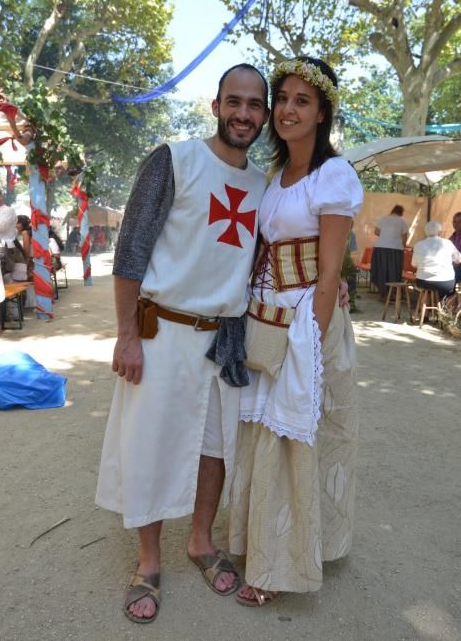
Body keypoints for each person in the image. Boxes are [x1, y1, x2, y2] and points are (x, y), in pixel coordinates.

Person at [95, 63, 271, 624]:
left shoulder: (262, 184)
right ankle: (148, 562)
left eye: (254, 105)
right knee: (152, 445)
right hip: (163, 331)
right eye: (234, 102)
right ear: (216, 106)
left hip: (223, 339)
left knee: (214, 448)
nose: (244, 113)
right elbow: (132, 252)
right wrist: (127, 335)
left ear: (264, 115)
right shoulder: (175, 159)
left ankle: (200, 541)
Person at [228, 56, 362, 606]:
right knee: (266, 438)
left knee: (297, 438)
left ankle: (280, 568)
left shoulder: (334, 175)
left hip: (309, 320)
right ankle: (263, 542)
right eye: (282, 98)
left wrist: (313, 341)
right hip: (269, 316)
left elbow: (330, 271)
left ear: (323, 112)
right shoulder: (273, 179)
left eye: (302, 101)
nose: (286, 109)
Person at [412, 220, 461, 298]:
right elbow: (460, 259)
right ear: (439, 232)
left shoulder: (418, 245)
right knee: (450, 291)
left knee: (429, 289)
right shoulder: (447, 243)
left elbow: (414, 264)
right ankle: (445, 307)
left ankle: (427, 305)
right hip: (445, 283)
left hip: (422, 282)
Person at [370, 205, 409, 297]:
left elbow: (376, 232)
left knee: (381, 269)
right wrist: (402, 247)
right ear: (401, 212)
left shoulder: (383, 218)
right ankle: (392, 293)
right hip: (395, 249)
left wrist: (385, 236)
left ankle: (382, 292)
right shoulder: (402, 221)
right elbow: (405, 236)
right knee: (393, 271)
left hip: (380, 247)